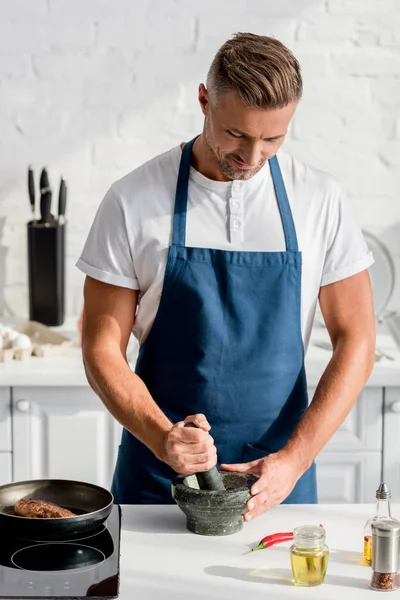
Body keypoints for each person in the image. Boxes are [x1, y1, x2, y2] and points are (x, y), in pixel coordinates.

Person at [77, 32, 376, 520]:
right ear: (204, 101)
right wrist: (162, 437)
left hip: (277, 480)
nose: (253, 156)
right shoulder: (133, 200)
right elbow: (99, 348)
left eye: (273, 139)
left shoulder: (319, 199)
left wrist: (294, 461)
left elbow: (358, 338)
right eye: (237, 134)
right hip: (160, 481)